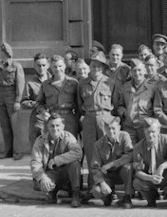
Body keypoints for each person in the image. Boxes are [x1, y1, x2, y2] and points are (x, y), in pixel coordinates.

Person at [77, 52, 117, 187]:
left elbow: (116, 104)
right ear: (89, 66)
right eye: (93, 65)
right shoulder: (82, 83)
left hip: (105, 119)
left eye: (99, 66)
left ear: (103, 67)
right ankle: (92, 186)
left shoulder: (110, 82)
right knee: (90, 152)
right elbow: (79, 105)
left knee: (106, 152)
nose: (96, 69)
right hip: (89, 118)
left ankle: (108, 186)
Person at [30, 112, 83, 205]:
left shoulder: (68, 137)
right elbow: (35, 162)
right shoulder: (40, 141)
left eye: (57, 125)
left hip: (66, 173)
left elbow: (78, 152)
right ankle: (52, 193)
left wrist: (56, 160)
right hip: (51, 173)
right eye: (52, 126)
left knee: (75, 164)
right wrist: (42, 178)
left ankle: (76, 194)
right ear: (47, 127)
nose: (55, 129)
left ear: (63, 126)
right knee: (43, 184)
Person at [131, 118, 167, 210]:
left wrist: (162, 166)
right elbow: (138, 172)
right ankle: (151, 199)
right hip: (150, 178)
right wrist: (150, 178)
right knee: (137, 182)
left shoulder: (166, 140)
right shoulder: (138, 147)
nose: (151, 135)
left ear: (159, 130)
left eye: (153, 132)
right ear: (144, 131)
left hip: (165, 176)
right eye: (148, 132)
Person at [90, 117, 134, 208]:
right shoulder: (98, 144)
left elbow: (129, 156)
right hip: (108, 176)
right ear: (104, 129)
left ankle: (127, 197)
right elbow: (95, 167)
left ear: (119, 127)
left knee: (128, 167)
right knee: (97, 191)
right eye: (108, 128)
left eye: (113, 128)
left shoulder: (124, 136)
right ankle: (108, 196)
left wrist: (111, 164)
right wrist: (102, 182)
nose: (111, 131)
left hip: (122, 173)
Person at [0, 42, 26, 160]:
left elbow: (20, 84)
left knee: (15, 125)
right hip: (1, 96)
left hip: (11, 95)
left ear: (5, 53)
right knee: (5, 125)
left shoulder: (16, 66)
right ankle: (7, 151)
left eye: (0, 52)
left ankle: (18, 152)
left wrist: (18, 100)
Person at [36, 55, 80, 139]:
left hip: (69, 118)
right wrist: (44, 112)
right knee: (53, 147)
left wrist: (77, 121)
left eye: (60, 66)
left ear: (64, 66)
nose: (58, 69)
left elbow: (79, 104)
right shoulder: (45, 85)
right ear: (51, 68)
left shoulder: (73, 83)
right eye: (55, 67)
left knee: (70, 144)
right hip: (52, 118)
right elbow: (39, 103)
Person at [116, 58, 156, 144]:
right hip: (129, 127)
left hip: (145, 127)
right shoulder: (125, 87)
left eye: (139, 70)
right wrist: (124, 113)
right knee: (130, 153)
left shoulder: (152, 88)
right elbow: (120, 105)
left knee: (145, 152)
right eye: (134, 71)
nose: (137, 73)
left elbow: (156, 108)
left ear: (145, 71)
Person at [21, 52, 51, 148]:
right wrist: (37, 104)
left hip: (53, 119)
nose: (41, 68)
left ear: (48, 65)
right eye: (39, 65)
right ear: (34, 66)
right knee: (37, 149)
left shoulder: (54, 81)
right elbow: (23, 103)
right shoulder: (30, 84)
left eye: (43, 65)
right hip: (38, 121)